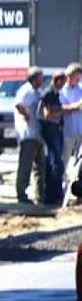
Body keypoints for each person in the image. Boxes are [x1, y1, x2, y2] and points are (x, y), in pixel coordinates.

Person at [13, 66, 45, 205]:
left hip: (39, 134)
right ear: (34, 78)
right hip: (28, 134)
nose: (42, 80)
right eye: (40, 77)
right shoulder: (25, 90)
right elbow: (19, 104)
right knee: (25, 165)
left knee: (41, 166)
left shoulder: (39, 91)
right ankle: (22, 194)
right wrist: (27, 114)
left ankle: (40, 195)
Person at [40, 71, 67, 205]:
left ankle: (53, 194)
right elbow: (47, 114)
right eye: (62, 82)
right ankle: (54, 194)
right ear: (57, 81)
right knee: (55, 163)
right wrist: (66, 110)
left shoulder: (56, 94)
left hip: (56, 130)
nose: (64, 85)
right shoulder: (48, 93)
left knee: (55, 163)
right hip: (50, 132)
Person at [59, 64, 82, 205]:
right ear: (69, 76)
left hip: (80, 130)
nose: (78, 79)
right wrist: (74, 107)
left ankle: (79, 193)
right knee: (65, 161)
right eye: (76, 76)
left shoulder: (80, 90)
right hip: (67, 131)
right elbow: (59, 109)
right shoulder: (62, 91)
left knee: (80, 164)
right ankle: (62, 190)